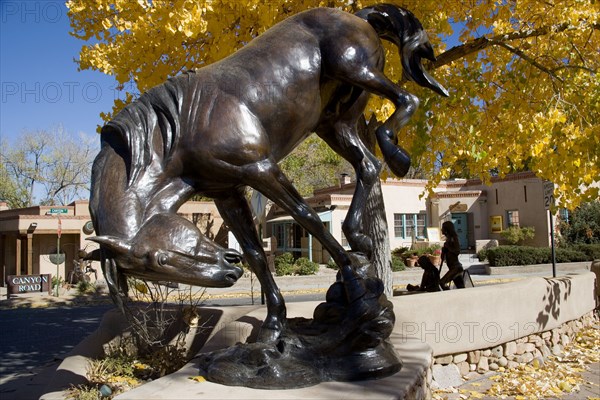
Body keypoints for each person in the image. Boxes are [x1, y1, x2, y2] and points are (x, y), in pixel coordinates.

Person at [439, 221, 465, 289]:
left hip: (456, 268)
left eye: (443, 228)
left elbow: (457, 251)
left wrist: (448, 247)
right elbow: (443, 258)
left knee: (442, 282)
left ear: (447, 229)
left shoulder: (454, 238)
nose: (441, 229)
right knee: (461, 288)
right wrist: (443, 251)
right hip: (452, 267)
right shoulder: (448, 239)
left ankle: (448, 297)